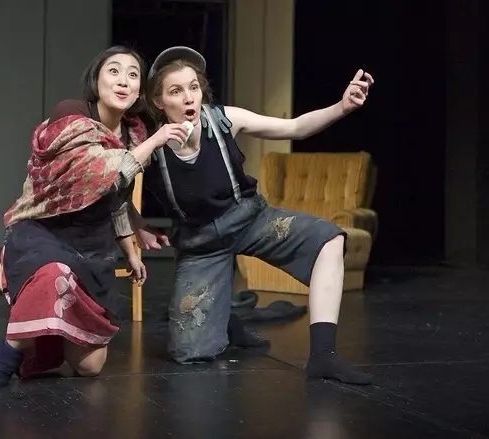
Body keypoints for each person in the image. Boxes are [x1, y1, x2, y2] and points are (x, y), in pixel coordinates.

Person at [138, 46, 375, 385]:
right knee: (189, 352)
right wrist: (137, 224)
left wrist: (342, 106)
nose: (189, 97)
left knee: (329, 239)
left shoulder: (223, 118)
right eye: (176, 91)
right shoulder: (150, 144)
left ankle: (324, 356)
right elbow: (115, 183)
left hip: (250, 220)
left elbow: (294, 127)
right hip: (201, 243)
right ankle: (225, 321)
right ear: (159, 101)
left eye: (194, 87)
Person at [0, 45, 190, 390]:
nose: (123, 81)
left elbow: (114, 197)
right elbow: (100, 172)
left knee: (90, 367)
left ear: (139, 91)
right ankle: (6, 356)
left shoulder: (133, 134)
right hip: (44, 229)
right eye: (113, 71)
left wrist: (132, 249)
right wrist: (156, 140)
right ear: (96, 80)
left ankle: (45, 341)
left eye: (133, 75)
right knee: (53, 273)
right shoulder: (71, 116)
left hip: (90, 243)